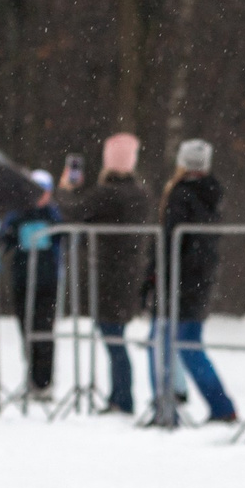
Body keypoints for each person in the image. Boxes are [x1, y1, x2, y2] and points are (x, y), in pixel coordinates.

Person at [61, 134, 155, 414]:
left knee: (113, 337)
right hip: (130, 272)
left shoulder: (107, 194)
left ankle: (123, 398)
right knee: (116, 335)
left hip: (109, 274)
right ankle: (120, 394)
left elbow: (73, 212)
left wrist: (65, 189)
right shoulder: (140, 195)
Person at [146, 138, 235, 424]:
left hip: (180, 282)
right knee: (184, 342)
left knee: (173, 342)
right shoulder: (211, 195)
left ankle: (173, 402)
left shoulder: (180, 195)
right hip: (198, 281)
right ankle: (206, 403)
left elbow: (171, 243)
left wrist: (157, 275)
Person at [4, 170, 63, 397]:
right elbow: (5, 240)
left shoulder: (53, 214)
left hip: (47, 281)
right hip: (22, 280)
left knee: (44, 330)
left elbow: (64, 237)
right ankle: (32, 379)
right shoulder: (17, 214)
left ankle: (44, 382)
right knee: (26, 330)